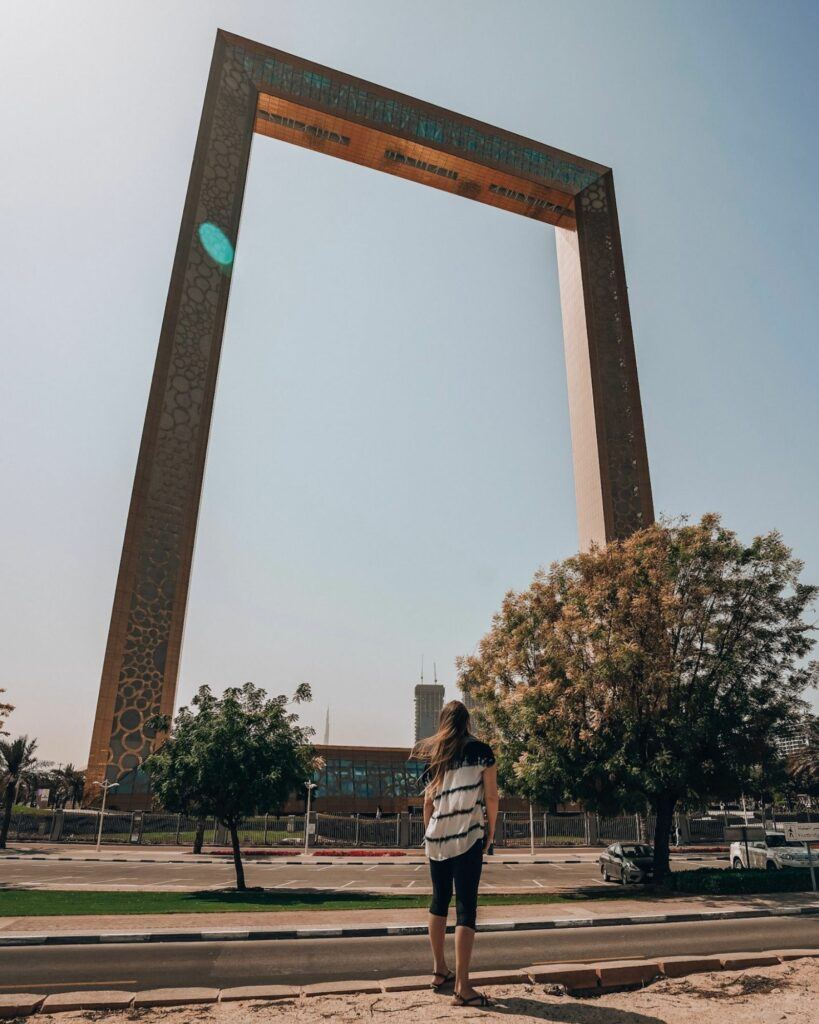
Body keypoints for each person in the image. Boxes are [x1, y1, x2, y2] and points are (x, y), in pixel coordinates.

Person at [413, 700, 499, 1008]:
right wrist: (489, 833)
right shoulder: (482, 752)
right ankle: (463, 987)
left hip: (436, 838)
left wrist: (432, 833)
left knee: (438, 901)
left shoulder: (437, 756)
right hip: (467, 837)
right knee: (466, 907)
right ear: (467, 722)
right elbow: (491, 795)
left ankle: (439, 970)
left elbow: (427, 804)